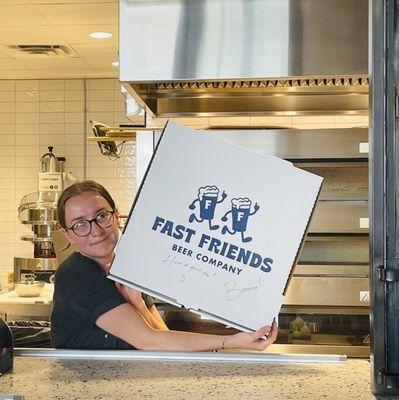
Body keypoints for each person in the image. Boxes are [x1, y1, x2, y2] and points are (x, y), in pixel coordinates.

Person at [51, 180, 278, 351]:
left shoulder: (126, 267)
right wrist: (232, 341)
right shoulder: (76, 276)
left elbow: (161, 335)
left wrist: (138, 304)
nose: (96, 230)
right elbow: (148, 340)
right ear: (67, 234)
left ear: (116, 215)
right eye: (80, 224)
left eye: (101, 216)